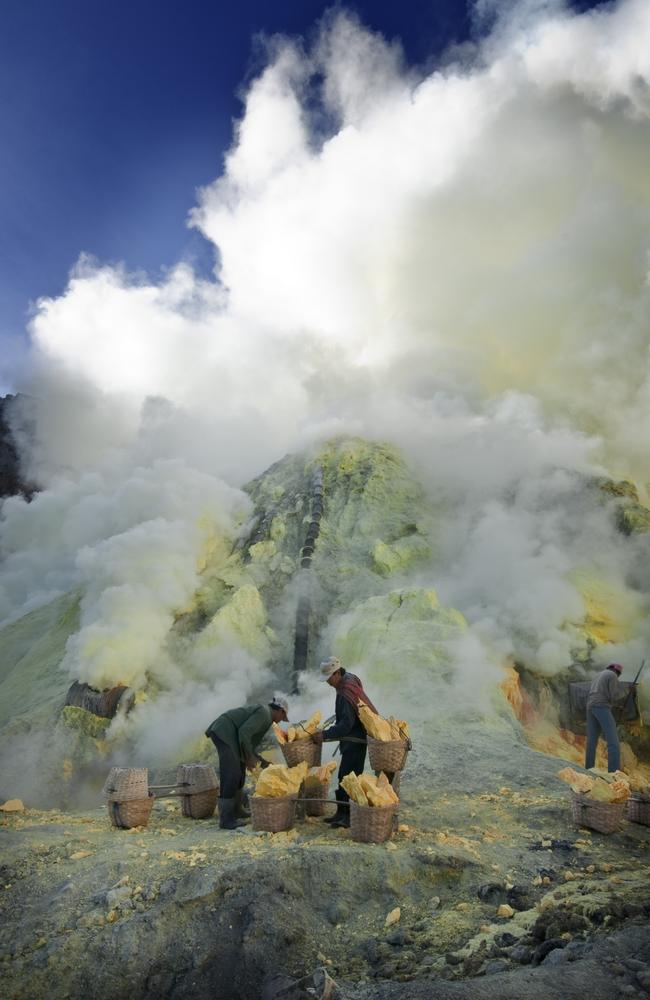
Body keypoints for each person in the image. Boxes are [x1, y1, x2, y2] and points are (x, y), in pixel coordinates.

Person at [311, 656, 378, 828]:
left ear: (338, 673)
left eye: (329, 679)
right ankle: (341, 813)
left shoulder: (345, 691)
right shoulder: (350, 680)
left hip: (355, 739)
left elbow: (346, 724)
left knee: (349, 778)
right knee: (345, 776)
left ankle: (348, 816)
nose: (328, 683)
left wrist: (324, 735)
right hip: (354, 738)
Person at [205, 695, 289, 830]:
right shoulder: (264, 714)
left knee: (239, 773)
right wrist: (249, 757)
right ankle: (226, 820)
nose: (280, 722)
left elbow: (248, 742)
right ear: (280, 711)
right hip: (225, 731)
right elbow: (244, 732)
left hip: (231, 734)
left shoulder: (266, 716)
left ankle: (237, 810)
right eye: (282, 718)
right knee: (231, 774)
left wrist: (260, 761)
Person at [585, 664, 635, 772]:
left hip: (590, 706)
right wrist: (628, 690)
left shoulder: (599, 675)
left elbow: (604, 694)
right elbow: (615, 696)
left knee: (592, 741)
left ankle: (588, 768)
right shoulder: (612, 675)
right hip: (601, 706)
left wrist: (614, 705)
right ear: (618, 672)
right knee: (613, 742)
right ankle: (613, 772)